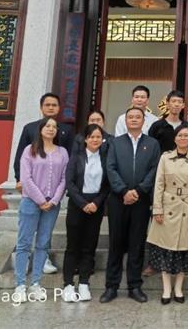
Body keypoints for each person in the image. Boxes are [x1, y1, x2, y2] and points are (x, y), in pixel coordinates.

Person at [100, 107, 161, 304]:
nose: (134, 120)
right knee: (116, 243)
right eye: (130, 117)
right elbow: (110, 168)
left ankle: (134, 286)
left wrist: (139, 191)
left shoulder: (152, 144)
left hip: (141, 201)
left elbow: (154, 170)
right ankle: (111, 286)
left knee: (137, 243)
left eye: (138, 117)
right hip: (118, 200)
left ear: (143, 121)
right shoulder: (115, 143)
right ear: (125, 121)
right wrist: (123, 191)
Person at [13, 93, 74, 275]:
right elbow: (20, 156)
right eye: (47, 105)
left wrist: (59, 193)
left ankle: (44, 258)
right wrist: (18, 178)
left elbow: (69, 160)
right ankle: (23, 264)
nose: (51, 108)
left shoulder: (66, 130)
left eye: (54, 105)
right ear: (41, 107)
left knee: (45, 231)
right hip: (32, 187)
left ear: (59, 108)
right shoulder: (30, 128)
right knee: (26, 230)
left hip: (53, 190)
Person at [12, 117, 69, 303]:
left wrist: (54, 200)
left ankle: (36, 283)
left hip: (52, 205)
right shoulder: (30, 150)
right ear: (41, 129)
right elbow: (26, 178)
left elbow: (64, 179)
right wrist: (40, 200)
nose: (51, 129)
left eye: (54, 127)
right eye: (47, 126)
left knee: (43, 243)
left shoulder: (62, 152)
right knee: (24, 243)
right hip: (31, 202)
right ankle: (20, 284)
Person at [146, 124, 188, 304]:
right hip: (167, 206)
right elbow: (159, 184)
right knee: (165, 249)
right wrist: (157, 209)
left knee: (185, 250)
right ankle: (166, 288)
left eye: (186, 135)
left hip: (187, 207)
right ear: (175, 138)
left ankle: (178, 288)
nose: (183, 138)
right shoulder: (165, 158)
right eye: (180, 135)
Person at [62, 124, 110, 303]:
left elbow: (106, 185)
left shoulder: (105, 158)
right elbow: (70, 183)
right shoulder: (76, 157)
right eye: (92, 137)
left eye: (98, 137)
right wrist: (83, 204)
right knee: (72, 246)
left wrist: (96, 203)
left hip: (96, 206)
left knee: (89, 246)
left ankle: (84, 282)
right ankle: (68, 284)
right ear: (86, 139)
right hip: (77, 205)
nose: (95, 140)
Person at [149, 90, 188, 155]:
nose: (176, 104)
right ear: (167, 104)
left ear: (183, 105)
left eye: (179, 102)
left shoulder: (186, 125)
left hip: (182, 160)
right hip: (162, 161)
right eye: (173, 101)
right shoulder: (157, 126)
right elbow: (151, 148)